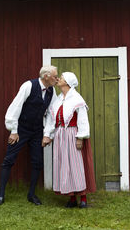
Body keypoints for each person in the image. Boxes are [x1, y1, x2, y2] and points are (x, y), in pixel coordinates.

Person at [0, 66, 58, 205]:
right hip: (21, 129)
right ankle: (1, 195)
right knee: (9, 159)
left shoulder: (51, 91)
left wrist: (47, 134)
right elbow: (15, 107)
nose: (57, 79)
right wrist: (13, 130)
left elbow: (51, 114)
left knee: (37, 162)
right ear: (46, 76)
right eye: (55, 76)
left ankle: (31, 195)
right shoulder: (29, 85)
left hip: (37, 131)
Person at [48, 72, 96, 208]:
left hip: (73, 134)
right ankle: (72, 198)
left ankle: (83, 198)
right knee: (64, 165)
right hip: (60, 136)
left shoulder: (76, 99)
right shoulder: (58, 99)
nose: (59, 79)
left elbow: (83, 120)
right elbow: (52, 120)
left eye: (62, 78)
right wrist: (49, 135)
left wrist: (80, 137)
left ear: (68, 82)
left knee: (76, 166)